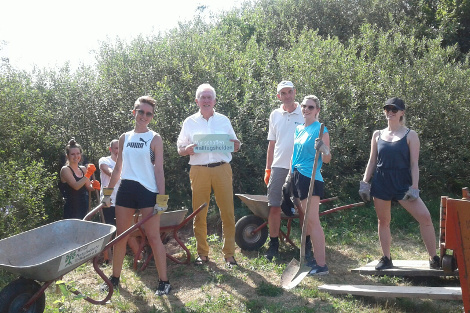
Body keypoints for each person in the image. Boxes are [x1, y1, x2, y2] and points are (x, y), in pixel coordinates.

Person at [100, 96, 171, 296]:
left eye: (149, 113)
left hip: (148, 191)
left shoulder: (155, 138)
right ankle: (114, 279)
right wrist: (107, 194)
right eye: (141, 112)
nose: (144, 116)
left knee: (153, 237)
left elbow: (159, 171)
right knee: (121, 236)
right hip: (126, 191)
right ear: (134, 112)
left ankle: (164, 282)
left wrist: (161, 199)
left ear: (152, 116)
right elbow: (118, 169)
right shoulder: (125, 137)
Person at [359, 97, 440, 270]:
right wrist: (365, 183)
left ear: (402, 113)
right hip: (381, 182)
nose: (390, 112)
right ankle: (386, 258)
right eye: (387, 109)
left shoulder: (410, 135)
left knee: (425, 218)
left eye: (394, 110)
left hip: (403, 184)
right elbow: (372, 161)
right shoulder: (377, 134)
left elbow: (414, 164)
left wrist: (415, 188)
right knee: (383, 221)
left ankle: (434, 258)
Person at [177, 83, 241, 267]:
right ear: (197, 101)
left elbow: (235, 144)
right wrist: (186, 150)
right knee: (199, 212)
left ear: (214, 101)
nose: (206, 100)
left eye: (209, 97)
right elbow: (180, 148)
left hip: (222, 168)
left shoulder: (224, 120)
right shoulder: (189, 122)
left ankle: (229, 254)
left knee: (227, 212)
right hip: (198, 170)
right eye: (202, 97)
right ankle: (202, 253)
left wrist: (237, 145)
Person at [264, 80, 306, 261]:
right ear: (278, 96)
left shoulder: (305, 112)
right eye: (283, 93)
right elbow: (271, 144)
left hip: (300, 166)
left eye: (290, 92)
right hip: (279, 166)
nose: (287, 95)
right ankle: (273, 244)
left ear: (295, 92)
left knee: (303, 207)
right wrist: (267, 168)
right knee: (274, 206)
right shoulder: (275, 115)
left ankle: (307, 245)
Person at [289, 95, 331, 275]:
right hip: (297, 176)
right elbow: (294, 155)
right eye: (304, 106)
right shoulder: (299, 129)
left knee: (313, 222)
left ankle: (321, 265)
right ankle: (314, 259)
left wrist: (323, 148)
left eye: (311, 107)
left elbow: (327, 159)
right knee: (306, 221)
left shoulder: (320, 129)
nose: (306, 109)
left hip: (311, 178)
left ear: (317, 110)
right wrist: (289, 176)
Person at [99, 139, 140, 264]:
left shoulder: (127, 163)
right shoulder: (104, 160)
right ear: (111, 149)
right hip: (109, 201)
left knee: (128, 230)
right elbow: (110, 172)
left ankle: (139, 257)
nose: (118, 151)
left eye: (120, 148)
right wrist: (119, 173)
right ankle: (107, 260)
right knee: (108, 231)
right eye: (116, 148)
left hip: (124, 201)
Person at [59, 138, 96, 219]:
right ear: (67, 156)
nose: (76, 156)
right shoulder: (65, 170)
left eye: (78, 153)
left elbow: (88, 187)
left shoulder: (83, 169)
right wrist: (88, 173)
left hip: (84, 206)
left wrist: (94, 186)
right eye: (72, 154)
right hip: (71, 209)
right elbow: (76, 186)